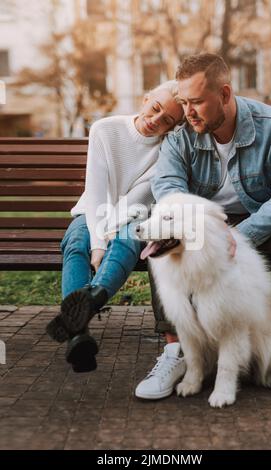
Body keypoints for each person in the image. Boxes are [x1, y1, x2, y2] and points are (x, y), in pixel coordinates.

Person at [135, 53, 271, 408]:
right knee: (162, 237)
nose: (188, 112)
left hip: (264, 222)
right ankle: (175, 347)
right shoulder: (181, 138)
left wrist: (240, 235)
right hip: (203, 228)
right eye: (183, 102)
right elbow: (168, 189)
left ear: (224, 94)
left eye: (196, 102)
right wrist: (201, 226)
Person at [46, 80, 184, 373]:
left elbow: (137, 199)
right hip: (91, 211)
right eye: (155, 108)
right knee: (76, 244)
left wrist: (109, 236)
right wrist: (98, 243)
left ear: (173, 127)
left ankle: (75, 320)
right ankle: (78, 335)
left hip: (134, 214)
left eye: (167, 120)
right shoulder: (105, 129)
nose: (155, 120)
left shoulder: (168, 148)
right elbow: (96, 191)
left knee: (125, 241)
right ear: (145, 99)